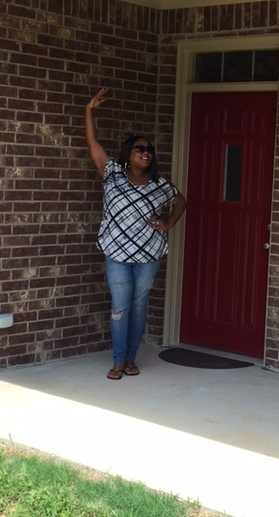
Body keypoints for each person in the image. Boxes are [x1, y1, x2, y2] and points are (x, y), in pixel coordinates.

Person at [85, 89, 187, 380]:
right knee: (120, 307)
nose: (146, 153)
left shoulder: (160, 184)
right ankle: (118, 361)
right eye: (140, 149)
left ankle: (131, 359)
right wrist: (88, 111)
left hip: (148, 254)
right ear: (128, 155)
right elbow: (92, 142)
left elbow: (181, 201)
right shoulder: (112, 173)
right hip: (116, 254)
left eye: (149, 150)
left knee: (139, 306)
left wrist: (167, 223)